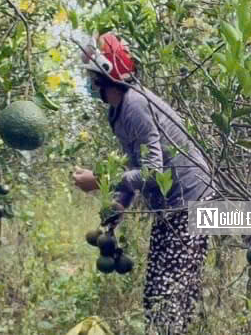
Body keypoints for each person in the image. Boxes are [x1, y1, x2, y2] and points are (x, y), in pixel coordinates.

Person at [73, 32, 214, 335]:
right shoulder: (118, 110)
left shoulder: (135, 105)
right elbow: (138, 166)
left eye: (93, 77)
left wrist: (99, 180)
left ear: (106, 77)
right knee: (160, 290)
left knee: (166, 294)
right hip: (171, 204)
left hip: (191, 202)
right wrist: (120, 205)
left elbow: (152, 173)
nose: (91, 83)